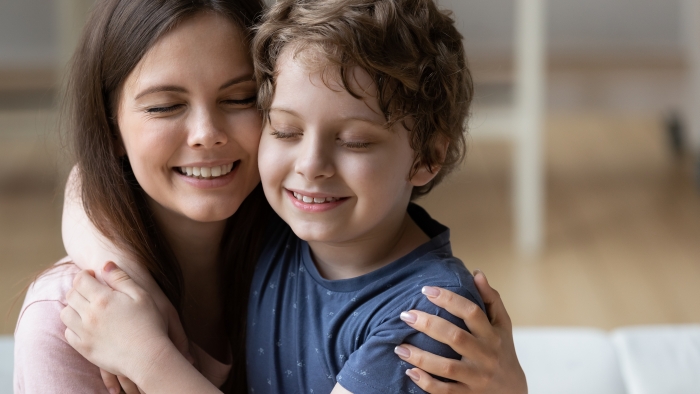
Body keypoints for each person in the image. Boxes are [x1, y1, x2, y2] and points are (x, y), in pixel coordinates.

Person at [59, 0, 527, 393]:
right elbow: (89, 182)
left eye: (355, 141)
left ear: (427, 156)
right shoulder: (286, 218)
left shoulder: (426, 315)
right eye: (284, 130)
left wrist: (148, 356)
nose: (309, 165)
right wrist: (125, 281)